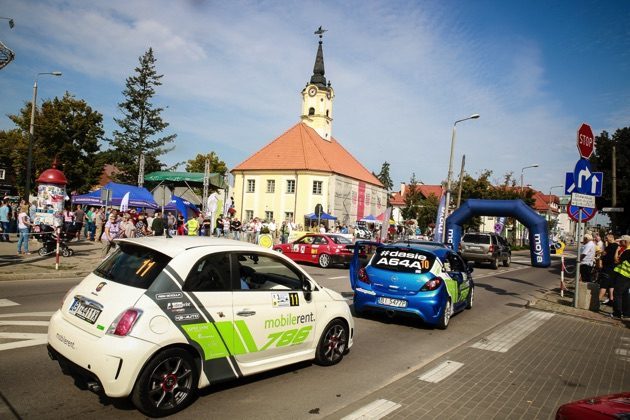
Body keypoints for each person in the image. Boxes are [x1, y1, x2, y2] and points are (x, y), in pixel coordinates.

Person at [611, 235, 630, 319]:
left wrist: (617, 250)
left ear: (625, 242)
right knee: (625, 294)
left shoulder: (627, 251)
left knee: (617, 293)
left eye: (621, 241)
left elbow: (616, 260)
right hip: (628, 276)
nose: (620, 243)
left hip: (623, 275)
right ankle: (626, 313)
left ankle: (617, 313)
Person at [599, 233, 619, 305]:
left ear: (611, 238)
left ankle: (597, 301)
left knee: (604, 285)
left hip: (609, 268)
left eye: (607, 238)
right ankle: (611, 299)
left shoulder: (614, 246)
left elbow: (609, 257)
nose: (605, 239)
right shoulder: (610, 246)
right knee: (611, 284)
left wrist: (603, 257)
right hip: (612, 268)